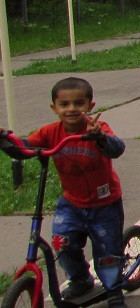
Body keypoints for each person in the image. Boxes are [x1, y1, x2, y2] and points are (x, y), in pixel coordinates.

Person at [0, 78, 128, 307]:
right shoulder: (50, 132)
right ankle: (80, 278)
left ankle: (114, 290)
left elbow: (116, 148)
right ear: (54, 108)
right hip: (72, 203)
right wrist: (5, 140)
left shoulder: (98, 128)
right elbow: (24, 148)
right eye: (64, 104)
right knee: (63, 242)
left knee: (108, 252)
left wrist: (99, 136)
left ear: (90, 105)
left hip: (104, 203)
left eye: (79, 103)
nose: (71, 109)